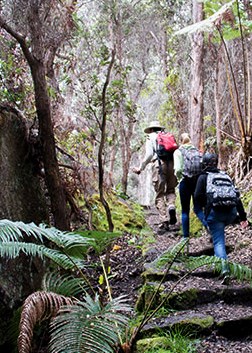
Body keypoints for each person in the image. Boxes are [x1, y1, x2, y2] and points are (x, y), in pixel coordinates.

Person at [194, 152, 249, 284]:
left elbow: (197, 197)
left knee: (219, 242)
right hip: (231, 213)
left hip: (215, 213)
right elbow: (237, 197)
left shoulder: (203, 177)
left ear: (204, 163)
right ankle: (218, 261)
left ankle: (224, 270)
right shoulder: (225, 175)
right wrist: (242, 217)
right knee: (219, 233)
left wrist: (206, 207)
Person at [133, 120, 178, 235]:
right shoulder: (167, 136)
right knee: (171, 190)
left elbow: (149, 155)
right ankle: (171, 206)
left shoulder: (150, 137)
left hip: (159, 165)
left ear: (151, 129)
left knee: (160, 194)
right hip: (171, 164)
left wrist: (140, 168)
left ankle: (164, 221)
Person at [173, 133, 208, 239]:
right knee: (198, 208)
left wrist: (179, 178)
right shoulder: (197, 151)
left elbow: (178, 169)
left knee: (185, 211)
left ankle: (185, 238)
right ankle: (208, 226)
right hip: (197, 181)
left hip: (185, 181)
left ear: (180, 141)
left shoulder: (178, 152)